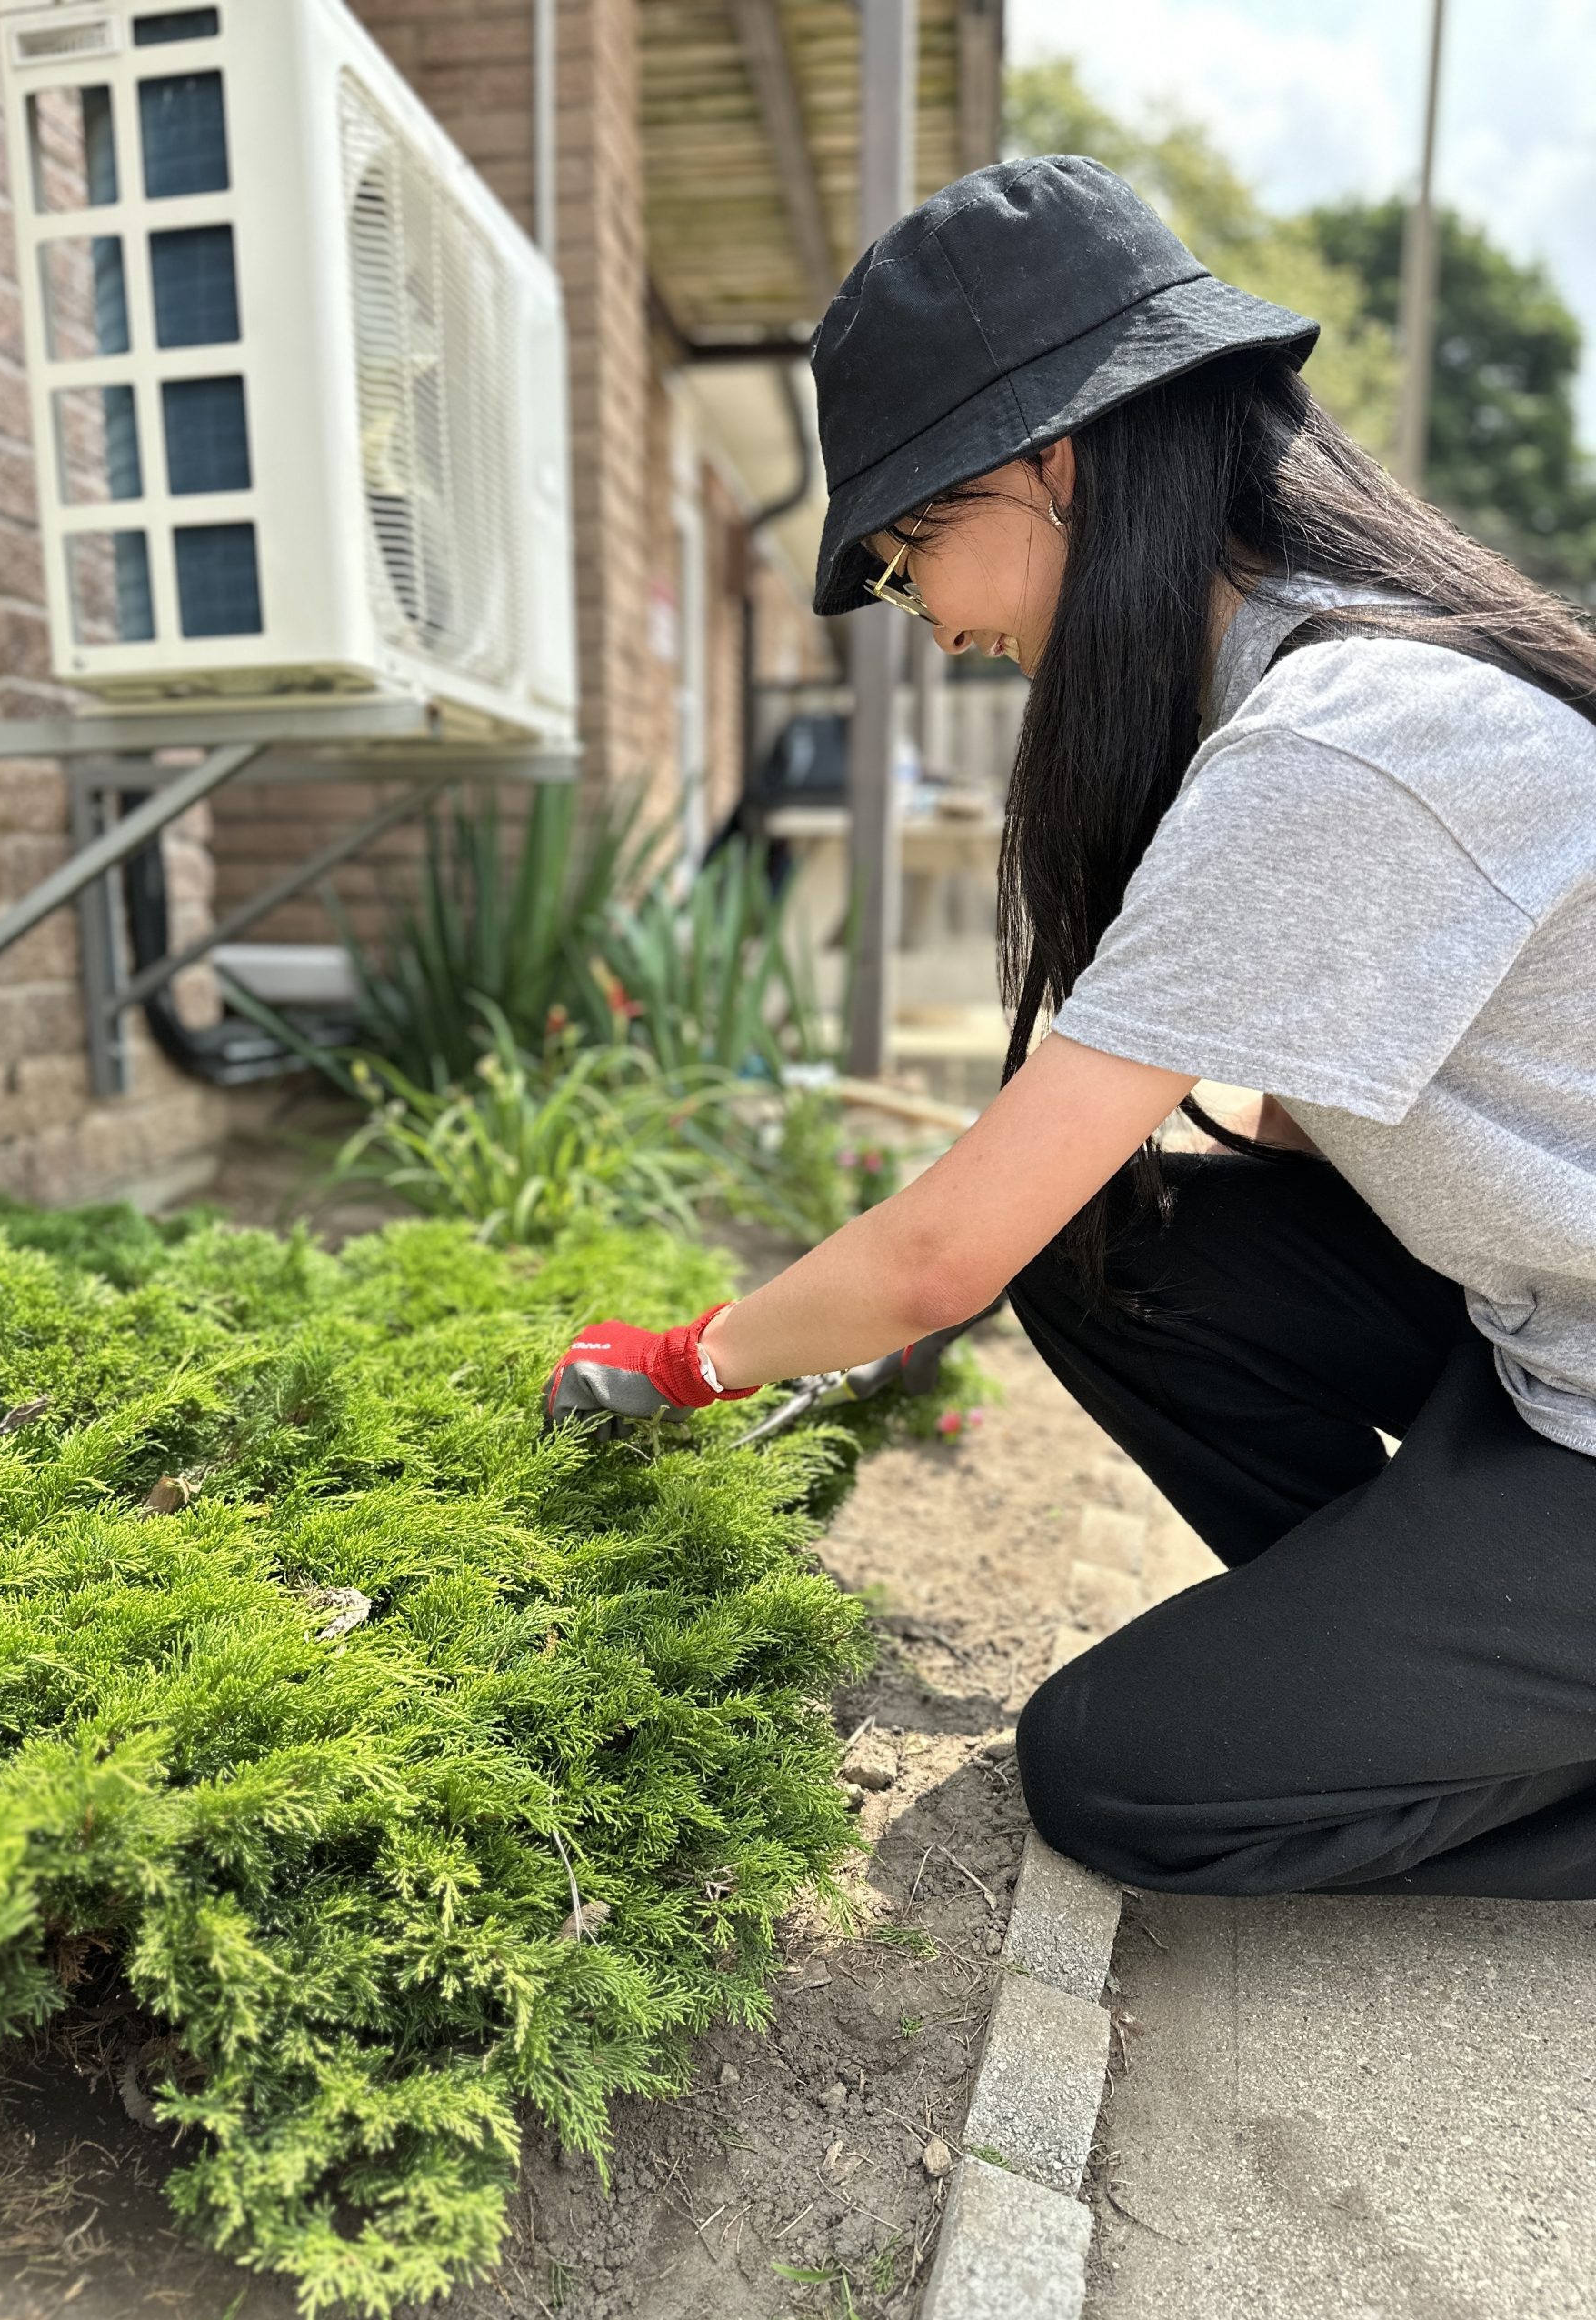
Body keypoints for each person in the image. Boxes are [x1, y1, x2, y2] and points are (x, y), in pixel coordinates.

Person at [542, 156, 1596, 1902]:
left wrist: (682, 1361)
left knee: (1117, 1779)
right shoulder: (1309, 674)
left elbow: (940, 1254)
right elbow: (1311, 1114)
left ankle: (1462, 1711)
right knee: (1122, 1246)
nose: (937, 619)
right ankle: (1411, 1665)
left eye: (909, 552)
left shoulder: (1342, 734)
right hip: (1547, 1326)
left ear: (1054, 453)